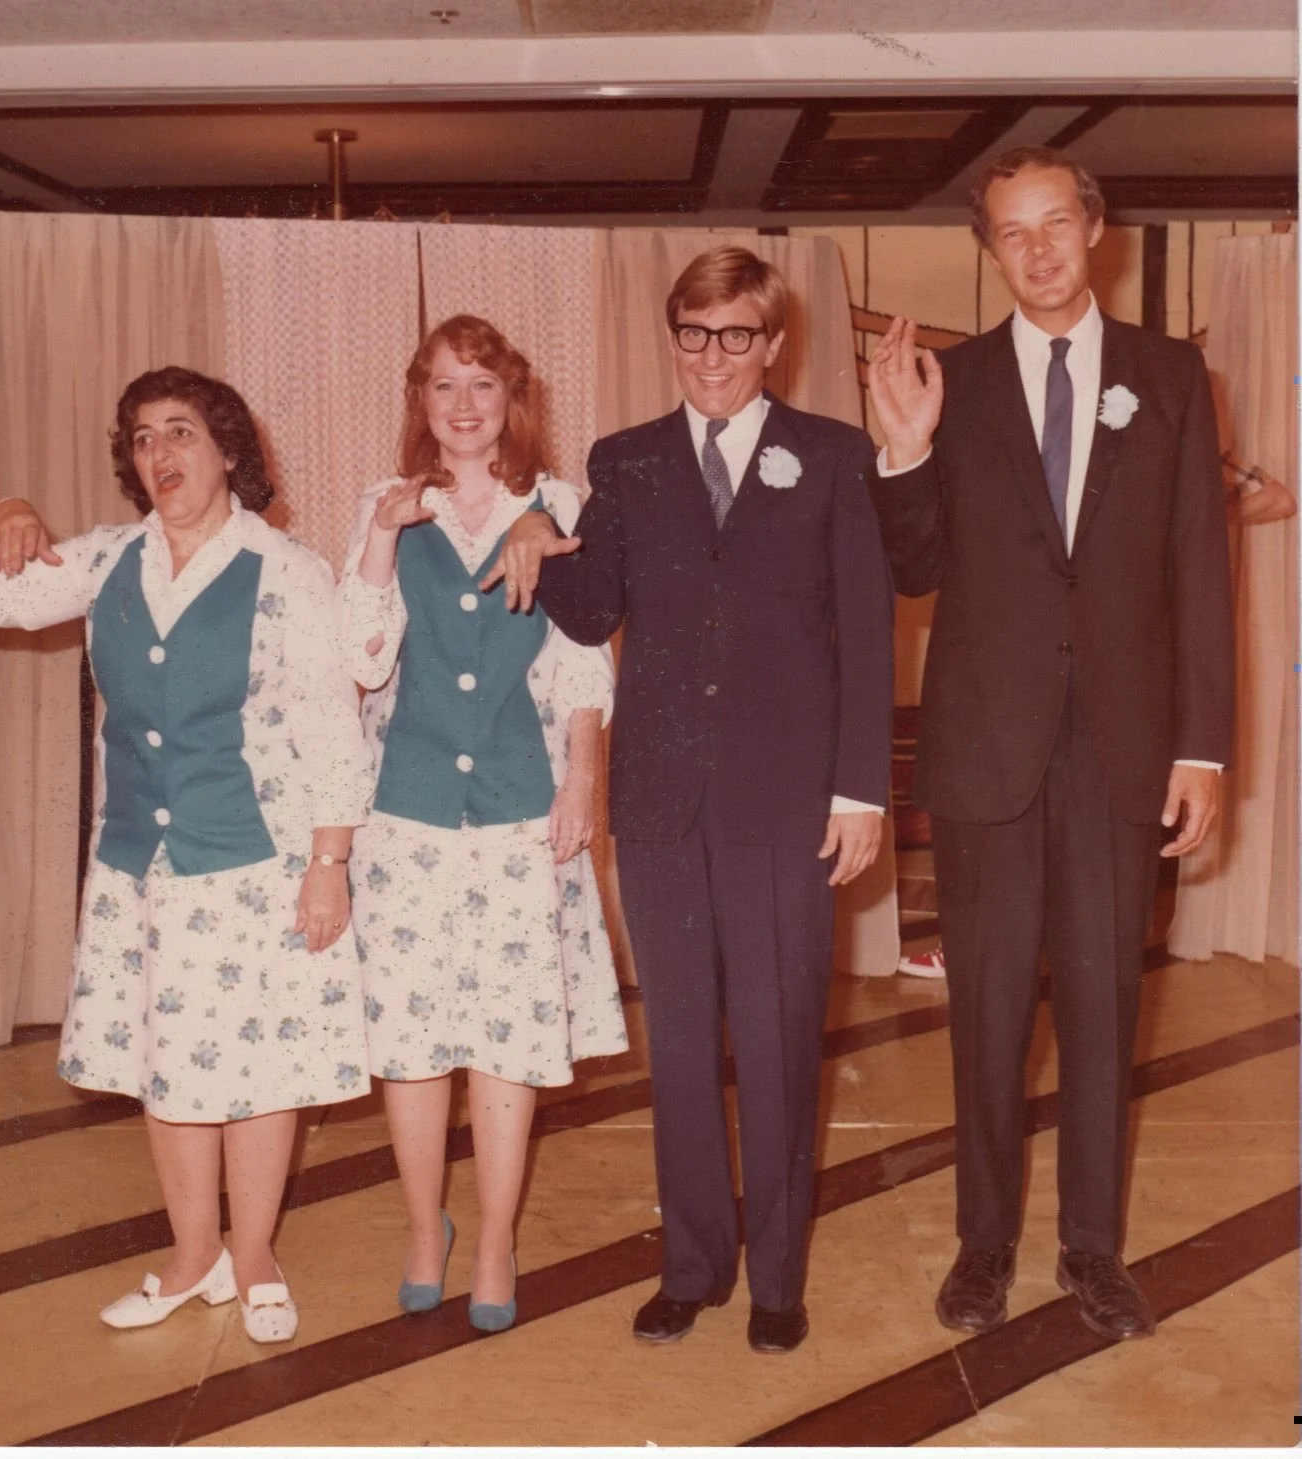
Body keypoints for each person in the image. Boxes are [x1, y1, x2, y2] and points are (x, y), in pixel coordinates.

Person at [484, 247, 894, 1353]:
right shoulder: (626, 461)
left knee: (774, 1040)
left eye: (738, 336)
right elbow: (585, 607)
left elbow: (863, 629)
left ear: (773, 344)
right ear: (674, 337)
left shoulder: (832, 455)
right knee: (678, 1049)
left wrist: (860, 787)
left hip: (788, 796)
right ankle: (695, 1264)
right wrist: (527, 527)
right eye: (694, 333)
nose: (713, 357)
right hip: (660, 798)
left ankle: (777, 1281)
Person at [866, 146, 1234, 1342]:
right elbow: (913, 567)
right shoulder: (950, 379)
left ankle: (1091, 1248)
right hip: (986, 748)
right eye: (1011, 233)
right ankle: (982, 1246)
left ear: (1095, 227)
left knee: (1101, 1003)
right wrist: (906, 449)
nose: (1036, 249)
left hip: (1122, 750)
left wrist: (1204, 748)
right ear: (991, 252)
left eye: (1054, 223)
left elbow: (1196, 571)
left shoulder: (1170, 375)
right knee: (982, 1012)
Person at [0, 367, 375, 1344]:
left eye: (181, 432)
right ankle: (194, 1258)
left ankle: (255, 1252)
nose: (162, 455)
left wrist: (328, 863)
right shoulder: (108, 560)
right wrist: (10, 509)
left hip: (256, 864)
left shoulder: (286, 572)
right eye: (143, 439)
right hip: (142, 865)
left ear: (227, 449)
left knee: (258, 1070)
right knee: (168, 1067)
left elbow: (328, 730)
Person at [339, 315, 627, 1334]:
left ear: (513, 400)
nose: (463, 407)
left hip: (519, 812)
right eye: (443, 387)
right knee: (413, 1044)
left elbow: (583, 662)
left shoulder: (557, 507)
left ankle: (496, 1235)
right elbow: (363, 662)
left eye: (483, 387)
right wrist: (380, 534)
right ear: (420, 401)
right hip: (406, 817)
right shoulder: (387, 511)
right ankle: (428, 1227)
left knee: (506, 1041)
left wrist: (581, 779)